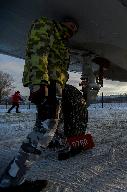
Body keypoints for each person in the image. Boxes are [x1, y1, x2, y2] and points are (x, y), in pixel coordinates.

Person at [0, 16, 78, 191]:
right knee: (45, 129)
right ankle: (9, 182)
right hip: (47, 82)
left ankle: (15, 178)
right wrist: (38, 81)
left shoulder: (62, 42)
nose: (73, 29)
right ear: (62, 22)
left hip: (54, 84)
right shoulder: (46, 25)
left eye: (75, 29)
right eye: (71, 25)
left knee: (49, 125)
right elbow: (37, 50)